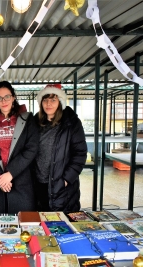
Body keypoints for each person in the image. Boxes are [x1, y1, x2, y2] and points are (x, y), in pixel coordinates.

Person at [0, 81, 39, 214]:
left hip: (21, 184)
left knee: (22, 227)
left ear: (13, 97)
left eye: (7, 96)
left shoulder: (27, 120)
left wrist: (10, 173)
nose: (3, 101)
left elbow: (31, 149)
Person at [33, 84, 87, 212]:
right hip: (39, 182)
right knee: (41, 221)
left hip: (60, 184)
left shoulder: (71, 123)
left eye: (53, 99)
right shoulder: (35, 122)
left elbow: (80, 153)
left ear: (60, 102)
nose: (48, 103)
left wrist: (67, 178)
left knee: (61, 223)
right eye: (45, 100)